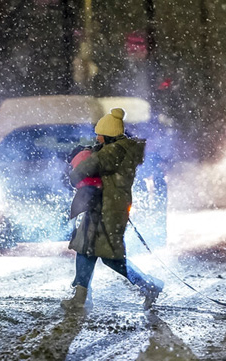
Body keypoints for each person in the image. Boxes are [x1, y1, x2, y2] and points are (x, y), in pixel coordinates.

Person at [61, 107, 164, 311]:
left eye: (99, 134)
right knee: (85, 249)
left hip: (107, 211)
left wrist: (73, 175)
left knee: (110, 258)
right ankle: (81, 296)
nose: (97, 138)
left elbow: (90, 165)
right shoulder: (118, 150)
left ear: (107, 135)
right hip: (103, 208)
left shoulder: (114, 152)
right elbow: (100, 157)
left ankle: (149, 285)